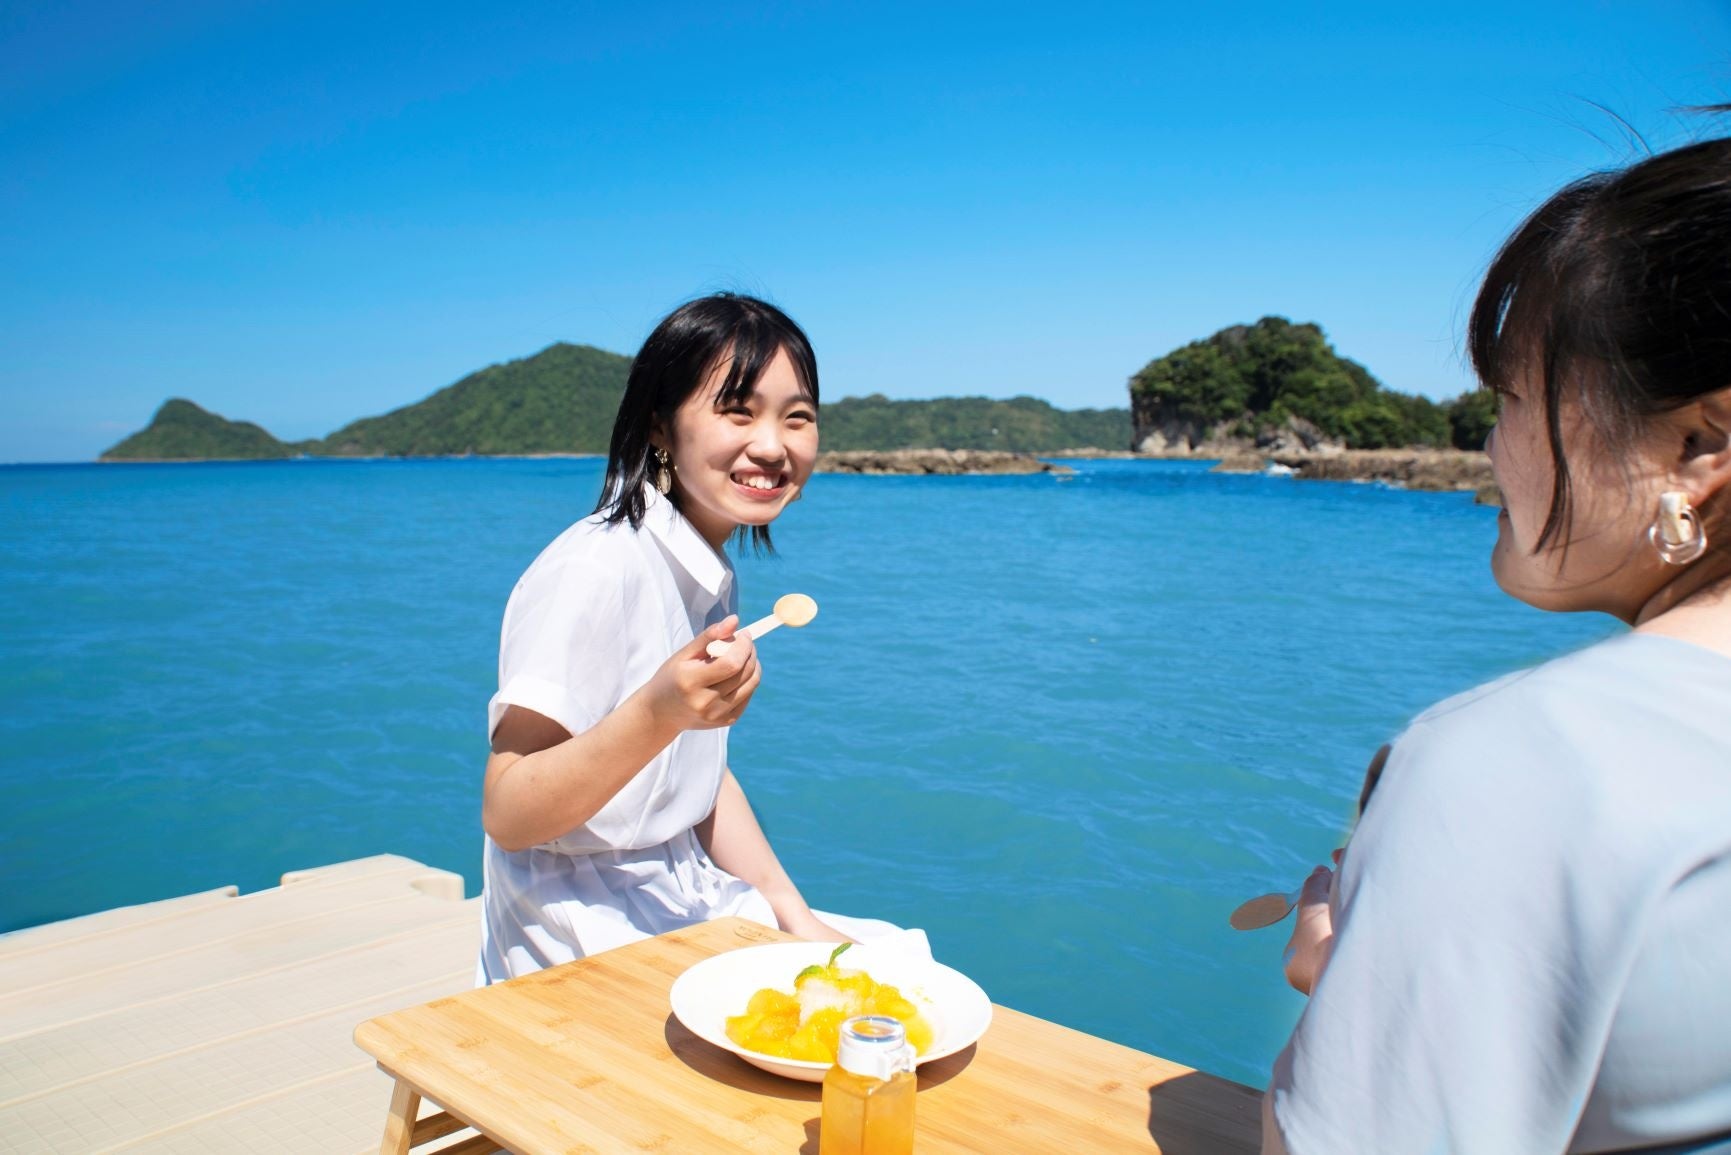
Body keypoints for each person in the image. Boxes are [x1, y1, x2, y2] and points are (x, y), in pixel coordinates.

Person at [1264, 136, 1731, 1154]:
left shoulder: (1523, 765)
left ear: (1698, 449)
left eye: (1509, 400)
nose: (1488, 446)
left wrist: (1349, 994)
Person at [478, 293, 892, 982]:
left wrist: (792, 909)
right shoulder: (595, 569)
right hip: (574, 935)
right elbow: (508, 810)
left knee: (898, 970)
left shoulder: (704, 569)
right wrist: (660, 710)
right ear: (660, 428)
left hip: (680, 898)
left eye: (797, 417)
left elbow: (698, 775)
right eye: (737, 410)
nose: (771, 444)